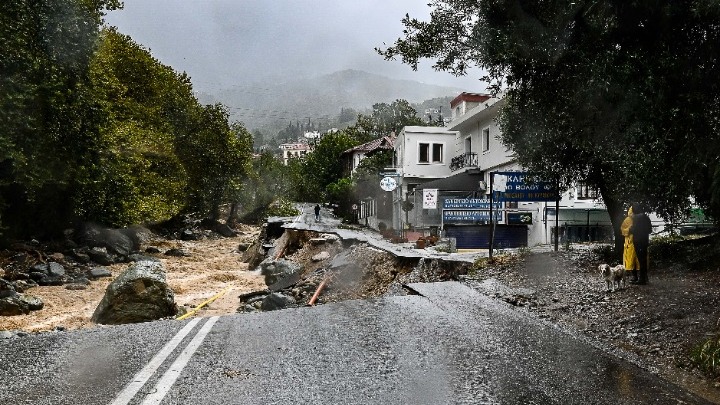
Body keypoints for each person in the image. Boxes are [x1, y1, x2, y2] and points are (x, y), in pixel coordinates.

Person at [630, 203, 653, 285]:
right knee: (644, 259)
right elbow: (650, 230)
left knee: (640, 260)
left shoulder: (635, 218)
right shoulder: (646, 217)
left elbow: (633, 230)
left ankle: (642, 279)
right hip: (645, 240)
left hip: (638, 241)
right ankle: (645, 277)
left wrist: (631, 229)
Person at [620, 205, 640, 283]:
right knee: (632, 261)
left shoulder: (639, 219)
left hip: (638, 242)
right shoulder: (628, 220)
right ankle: (634, 277)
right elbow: (622, 230)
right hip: (630, 243)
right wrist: (629, 230)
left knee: (639, 260)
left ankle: (642, 277)